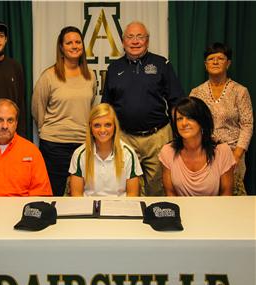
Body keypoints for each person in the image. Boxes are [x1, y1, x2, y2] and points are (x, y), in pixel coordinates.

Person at [102, 21, 185, 196]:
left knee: (158, 188)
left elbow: (176, 102)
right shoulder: (114, 68)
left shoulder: (162, 64)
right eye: (130, 37)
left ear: (147, 40)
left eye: (140, 37)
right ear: (123, 42)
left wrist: (178, 135)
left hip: (158, 138)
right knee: (126, 188)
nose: (135, 41)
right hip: (125, 138)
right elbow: (106, 107)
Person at [32, 26, 97, 196]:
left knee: (82, 193)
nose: (74, 46)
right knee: (55, 193)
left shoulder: (90, 75)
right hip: (55, 145)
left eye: (78, 42)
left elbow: (91, 108)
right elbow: (37, 109)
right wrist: (49, 131)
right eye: (69, 42)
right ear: (61, 47)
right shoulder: (49, 76)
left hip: (83, 144)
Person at [190, 42, 253, 195]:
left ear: (228, 63)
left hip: (233, 154)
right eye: (211, 59)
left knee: (232, 196)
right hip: (204, 154)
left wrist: (236, 156)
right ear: (205, 64)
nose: (216, 62)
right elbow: (191, 125)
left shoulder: (240, 91)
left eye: (220, 58)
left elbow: (247, 124)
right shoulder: (196, 93)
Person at [158, 96, 236, 196]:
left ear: (202, 121)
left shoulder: (222, 151)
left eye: (190, 117)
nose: (184, 123)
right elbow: (170, 193)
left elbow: (226, 194)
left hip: (215, 210)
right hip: (182, 210)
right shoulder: (168, 151)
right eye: (179, 119)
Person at [69, 103, 142, 197]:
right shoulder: (79, 154)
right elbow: (76, 195)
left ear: (115, 126)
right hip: (88, 208)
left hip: (120, 208)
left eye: (108, 125)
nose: (102, 130)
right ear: (90, 127)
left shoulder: (128, 153)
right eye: (97, 125)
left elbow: (132, 195)